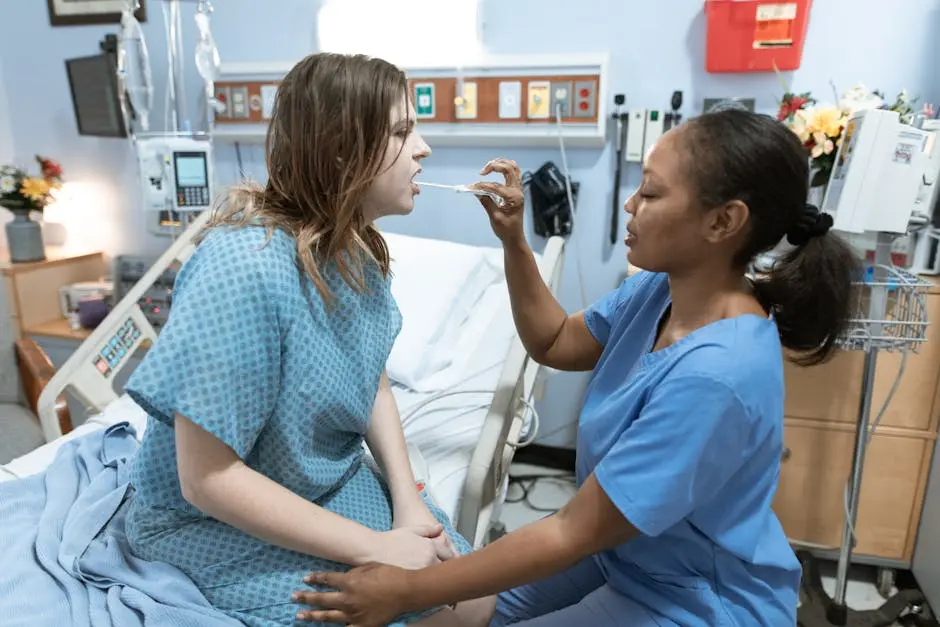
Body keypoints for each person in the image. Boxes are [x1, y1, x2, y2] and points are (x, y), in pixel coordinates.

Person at [289, 109, 863, 626]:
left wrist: (407, 589)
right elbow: (557, 341)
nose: (631, 205)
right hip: (623, 555)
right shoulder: (661, 292)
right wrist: (514, 240)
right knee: (450, 619)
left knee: (428, 604)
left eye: (652, 193)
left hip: (693, 597)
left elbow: (570, 531)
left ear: (723, 222)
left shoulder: (717, 376)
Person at [120, 52, 495, 627]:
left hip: (325, 481)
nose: (423, 148)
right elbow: (206, 480)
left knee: (470, 589)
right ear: (344, 149)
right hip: (211, 521)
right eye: (401, 131)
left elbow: (370, 379)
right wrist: (375, 548)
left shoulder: (356, 250)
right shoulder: (243, 269)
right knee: (433, 610)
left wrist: (408, 500)